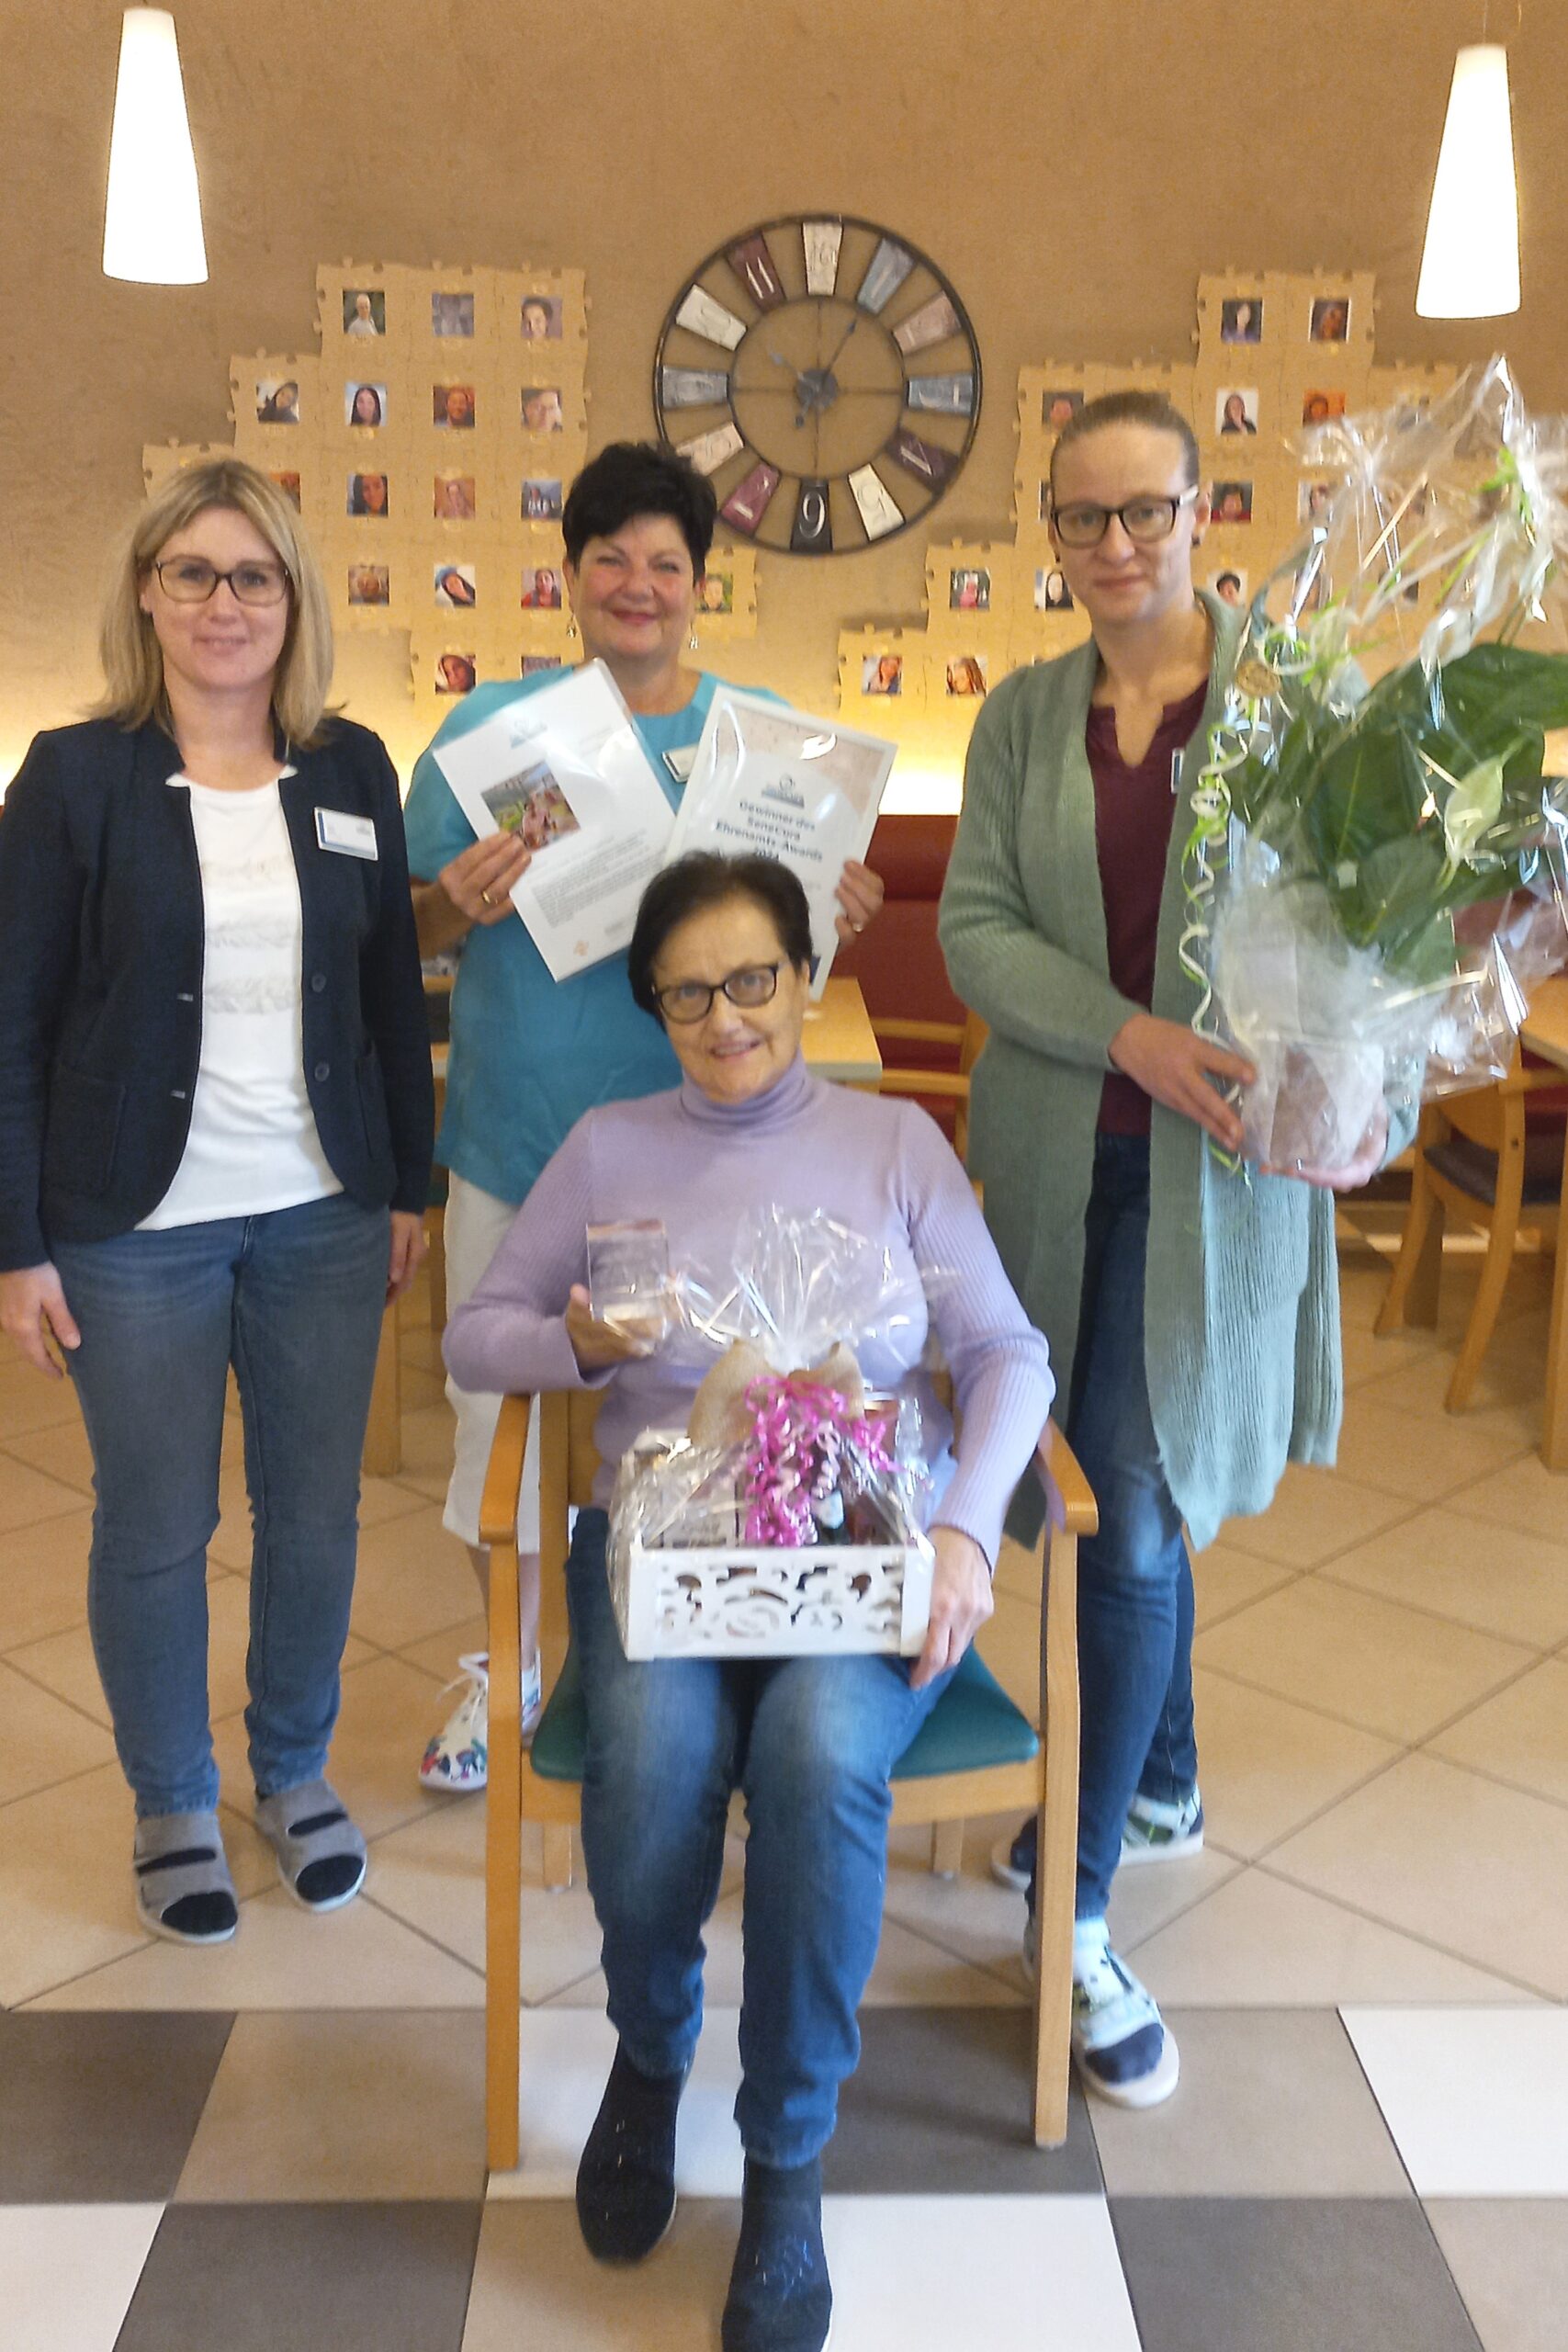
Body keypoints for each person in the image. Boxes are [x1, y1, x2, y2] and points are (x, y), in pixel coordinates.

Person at [445, 851, 1053, 2352]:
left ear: (807, 973)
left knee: (819, 1753)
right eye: (689, 993)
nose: (727, 1017)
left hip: (859, 1550)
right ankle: (653, 2057)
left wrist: (966, 1533)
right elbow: (476, 1332)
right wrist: (581, 1347)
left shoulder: (896, 1143)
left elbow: (1007, 1355)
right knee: (655, 1751)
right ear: (655, 1007)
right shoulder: (607, 1149)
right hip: (664, 1555)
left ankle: (786, 2152)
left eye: (755, 979)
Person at [939, 389, 1391, 2109]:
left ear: (1205, 513)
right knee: (1115, 1475)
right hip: (1057, 1163)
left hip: (1221, 1182)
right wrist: (1129, 1036)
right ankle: (1166, 1771)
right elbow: (976, 929)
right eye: (1083, 517)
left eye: (1148, 510)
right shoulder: (1024, 718)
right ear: (1049, 532)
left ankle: (1077, 1905)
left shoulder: (1295, 706)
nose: (1116, 544)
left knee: (1125, 1509)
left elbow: (1374, 934)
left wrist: (1366, 1078)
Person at [401, 442, 885, 1793]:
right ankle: (511, 1664)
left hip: (711, 1163)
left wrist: (838, 916)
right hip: (522, 1141)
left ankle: (700, 1654)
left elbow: (787, 952)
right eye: (608, 557)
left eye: (665, 562)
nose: (637, 584)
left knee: (707, 1411)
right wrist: (453, 904)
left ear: (699, 585)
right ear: (568, 579)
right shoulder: (492, 736)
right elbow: (404, 932)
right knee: (500, 1420)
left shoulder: (764, 741)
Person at [0, 458, 433, 1946]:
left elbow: (391, 999)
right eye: (192, 572)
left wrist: (408, 1184)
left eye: (254, 576)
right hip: (132, 1231)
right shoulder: (72, 776)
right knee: (156, 1519)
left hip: (325, 1211)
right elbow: (11, 1020)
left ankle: (293, 1770)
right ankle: (174, 1797)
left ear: (293, 600)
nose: (223, 603)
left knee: (312, 1515)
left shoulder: (351, 767)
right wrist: (15, 1244)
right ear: (147, 592)